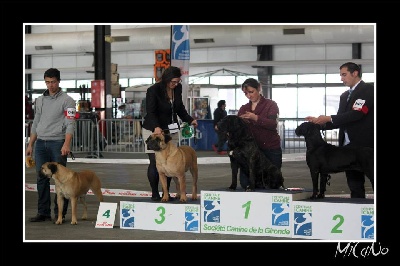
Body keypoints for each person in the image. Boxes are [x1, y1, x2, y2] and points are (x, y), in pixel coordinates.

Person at [305, 62, 374, 198]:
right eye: (340, 75)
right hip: (347, 148)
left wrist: (329, 118)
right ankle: (358, 210)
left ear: (355, 73)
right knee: (354, 184)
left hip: (365, 145)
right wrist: (320, 123)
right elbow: (340, 119)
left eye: (344, 75)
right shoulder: (344, 96)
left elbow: (357, 114)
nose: (341, 78)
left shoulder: (368, 90)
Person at [26, 68, 76, 222]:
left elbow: (70, 123)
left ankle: (60, 214)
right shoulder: (39, 100)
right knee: (41, 178)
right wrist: (30, 144)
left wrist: (66, 144)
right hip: (40, 142)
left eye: (53, 82)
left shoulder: (68, 100)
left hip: (58, 143)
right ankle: (43, 212)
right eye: (47, 82)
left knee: (62, 180)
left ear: (59, 81)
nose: (50, 85)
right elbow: (36, 123)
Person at [142, 66, 198, 201]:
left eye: (177, 82)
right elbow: (151, 111)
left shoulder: (177, 89)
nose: (175, 84)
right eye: (173, 81)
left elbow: (179, 108)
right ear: (166, 79)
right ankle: (155, 193)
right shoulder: (153, 90)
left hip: (170, 129)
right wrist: (156, 127)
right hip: (153, 129)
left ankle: (165, 194)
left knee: (172, 162)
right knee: (156, 161)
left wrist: (190, 120)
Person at [237, 78, 282, 189]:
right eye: (246, 93)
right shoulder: (244, 108)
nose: (249, 96)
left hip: (270, 149)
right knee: (246, 183)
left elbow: (272, 124)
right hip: (250, 151)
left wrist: (255, 118)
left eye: (251, 92)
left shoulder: (271, 105)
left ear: (259, 88)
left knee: (272, 182)